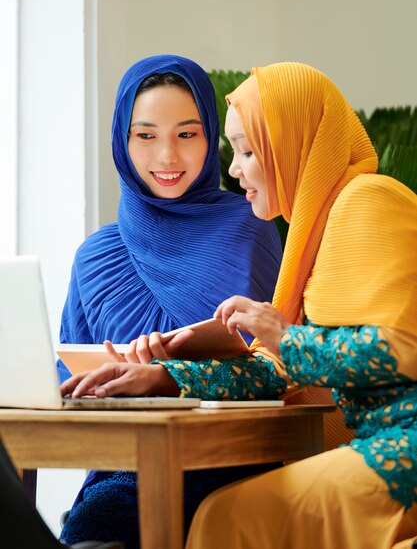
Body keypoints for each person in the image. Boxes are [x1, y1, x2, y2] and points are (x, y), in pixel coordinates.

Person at [62, 61, 417, 549]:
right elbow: (276, 369)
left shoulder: (368, 199)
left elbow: (399, 349)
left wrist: (282, 336)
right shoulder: (314, 237)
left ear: (293, 146)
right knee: (172, 516)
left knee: (225, 516)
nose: (233, 167)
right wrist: (168, 376)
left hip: (401, 441)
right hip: (372, 441)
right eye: (144, 136)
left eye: (249, 151)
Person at [58, 55, 282, 549]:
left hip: (228, 456)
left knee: (105, 523)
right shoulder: (95, 256)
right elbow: (67, 385)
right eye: (145, 136)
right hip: (125, 464)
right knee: (96, 520)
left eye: (186, 134)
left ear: (211, 137)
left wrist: (165, 374)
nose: (167, 157)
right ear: (122, 140)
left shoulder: (249, 226)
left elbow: (275, 367)